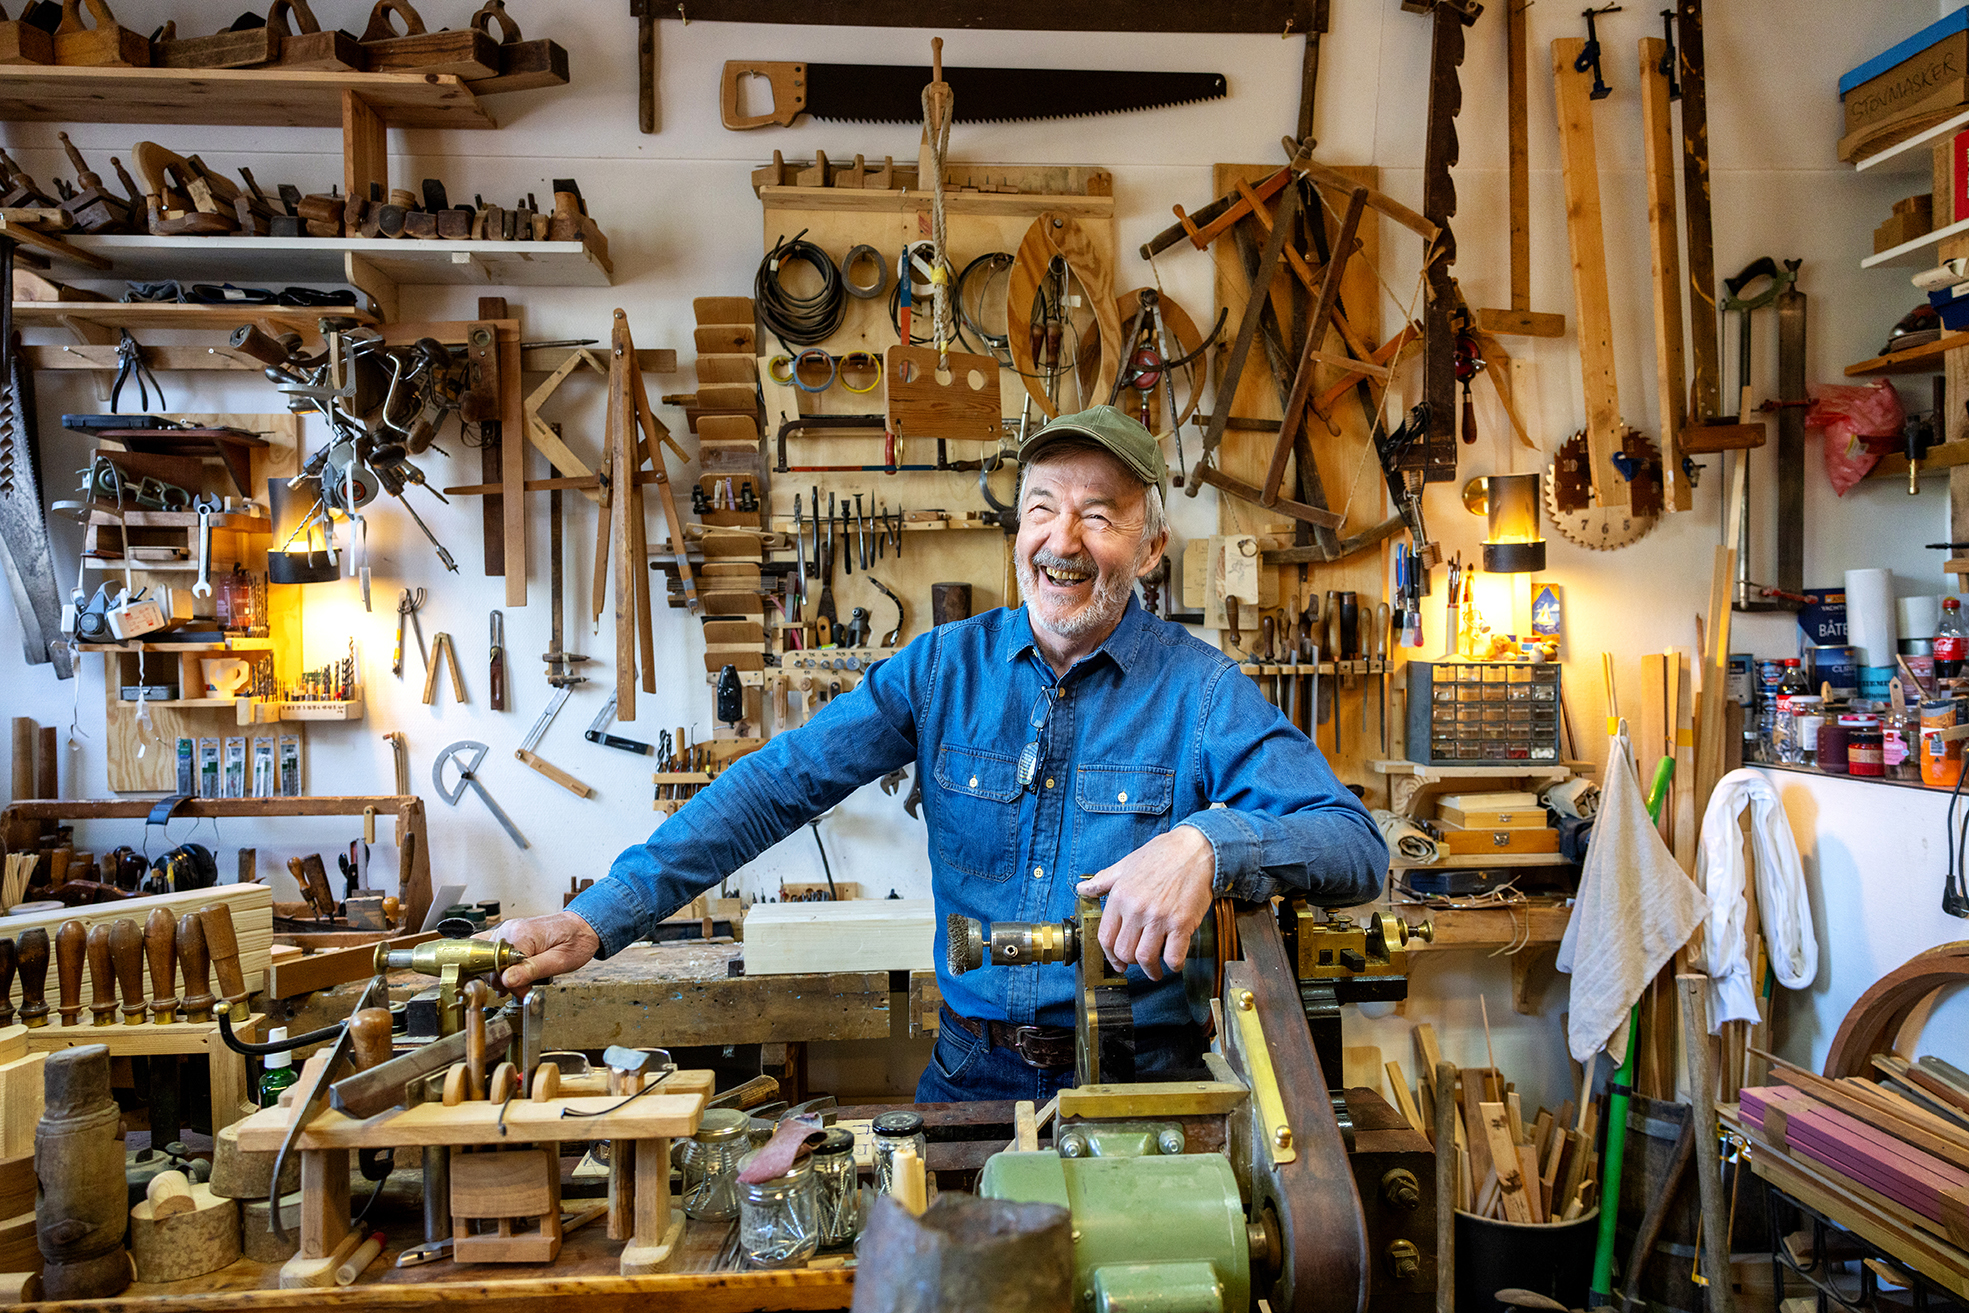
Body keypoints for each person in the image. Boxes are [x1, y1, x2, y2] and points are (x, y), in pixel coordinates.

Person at [490, 405, 1387, 1102]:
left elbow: (1354, 845)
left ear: (1150, 547)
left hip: (1146, 1081)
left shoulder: (1202, 692)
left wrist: (1207, 845)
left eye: (1098, 516)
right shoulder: (939, 670)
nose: (1063, 539)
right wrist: (599, 916)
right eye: (1042, 509)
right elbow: (776, 785)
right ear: (1017, 533)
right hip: (972, 1072)